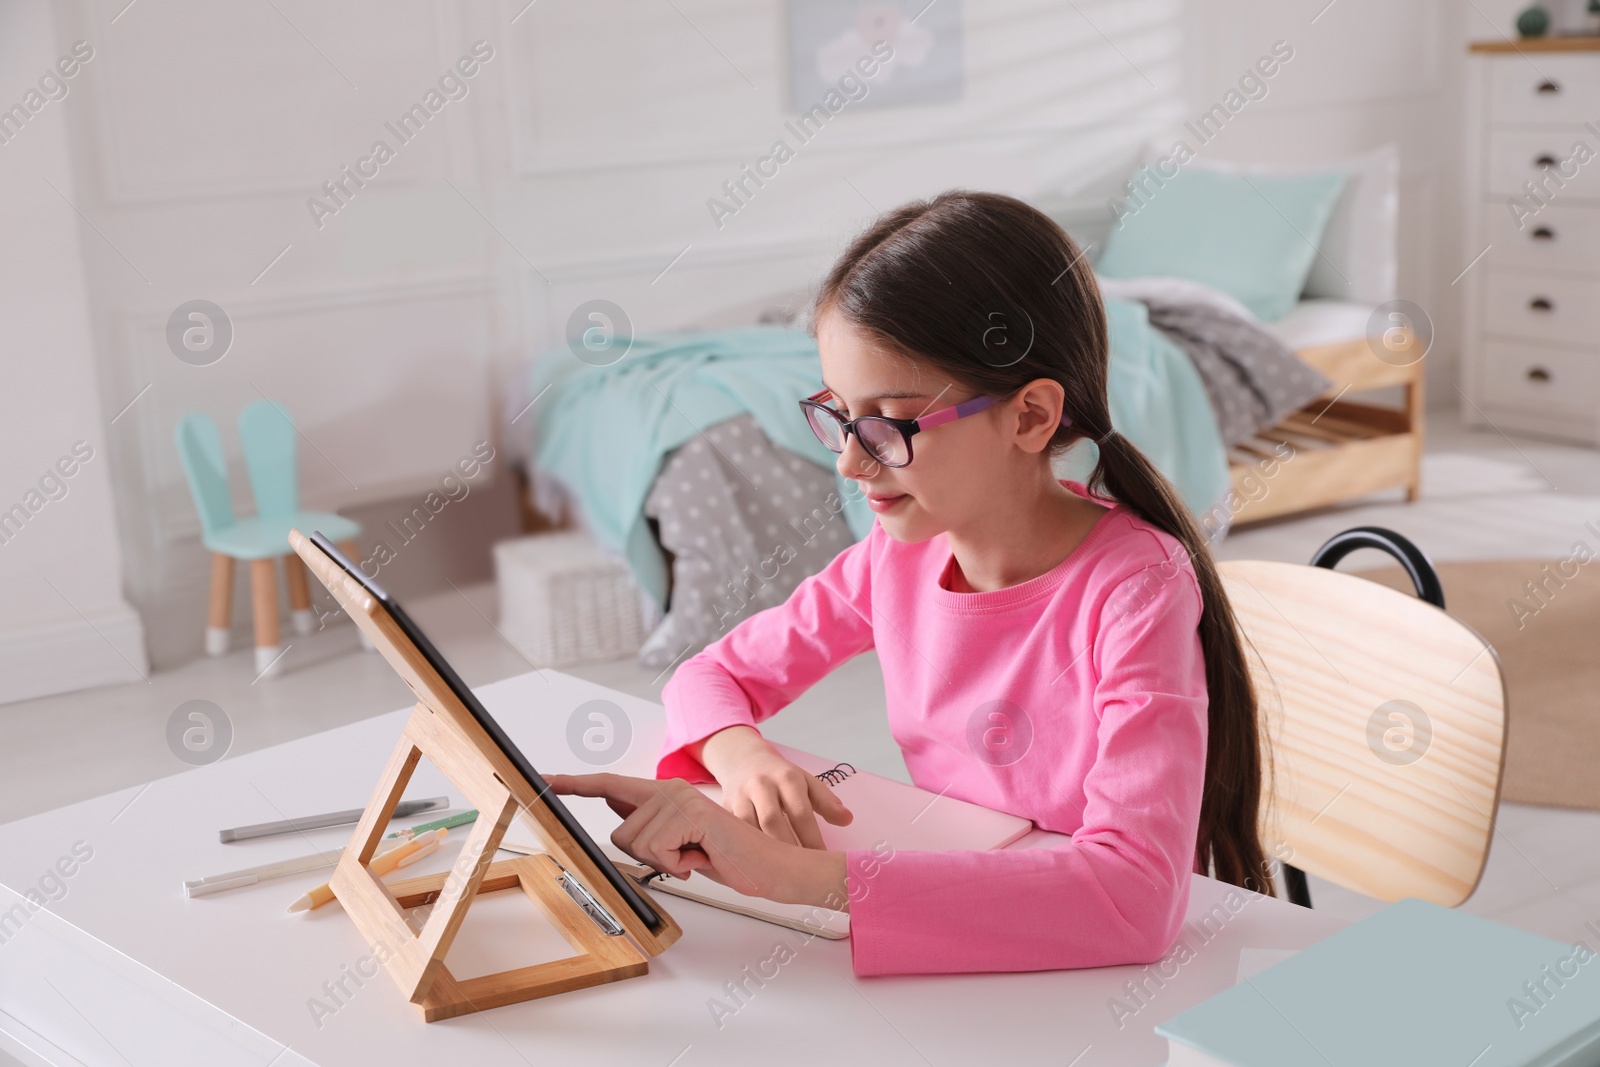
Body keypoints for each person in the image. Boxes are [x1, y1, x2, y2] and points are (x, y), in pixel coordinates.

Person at [547, 189, 1272, 977]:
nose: (850, 463)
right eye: (839, 417)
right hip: (962, 934)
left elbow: (1132, 898)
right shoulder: (895, 559)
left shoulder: (1135, 592)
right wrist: (739, 756)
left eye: (888, 427)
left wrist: (809, 881)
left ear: (1031, 417)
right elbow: (712, 673)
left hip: (1091, 979)